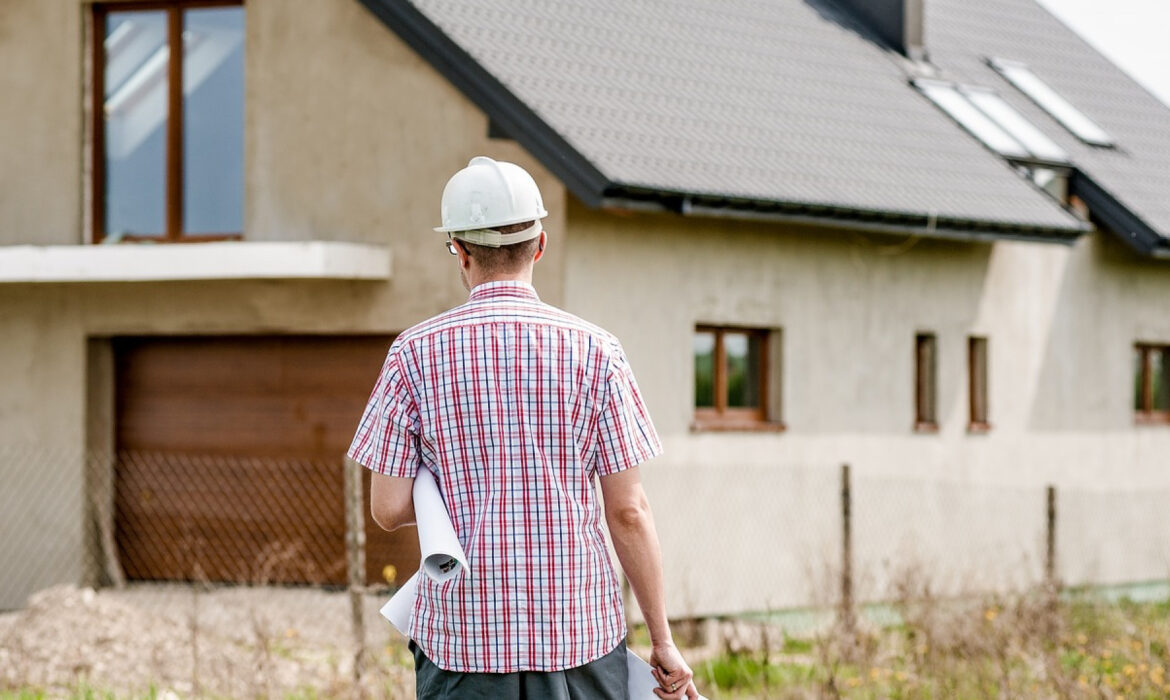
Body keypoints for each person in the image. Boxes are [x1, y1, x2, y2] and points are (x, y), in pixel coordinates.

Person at [348, 156, 698, 699]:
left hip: (464, 643)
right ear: (539, 245)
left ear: (459, 252)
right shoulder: (597, 352)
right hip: (579, 635)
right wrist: (662, 639)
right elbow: (628, 511)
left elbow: (388, 509)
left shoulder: (412, 354)